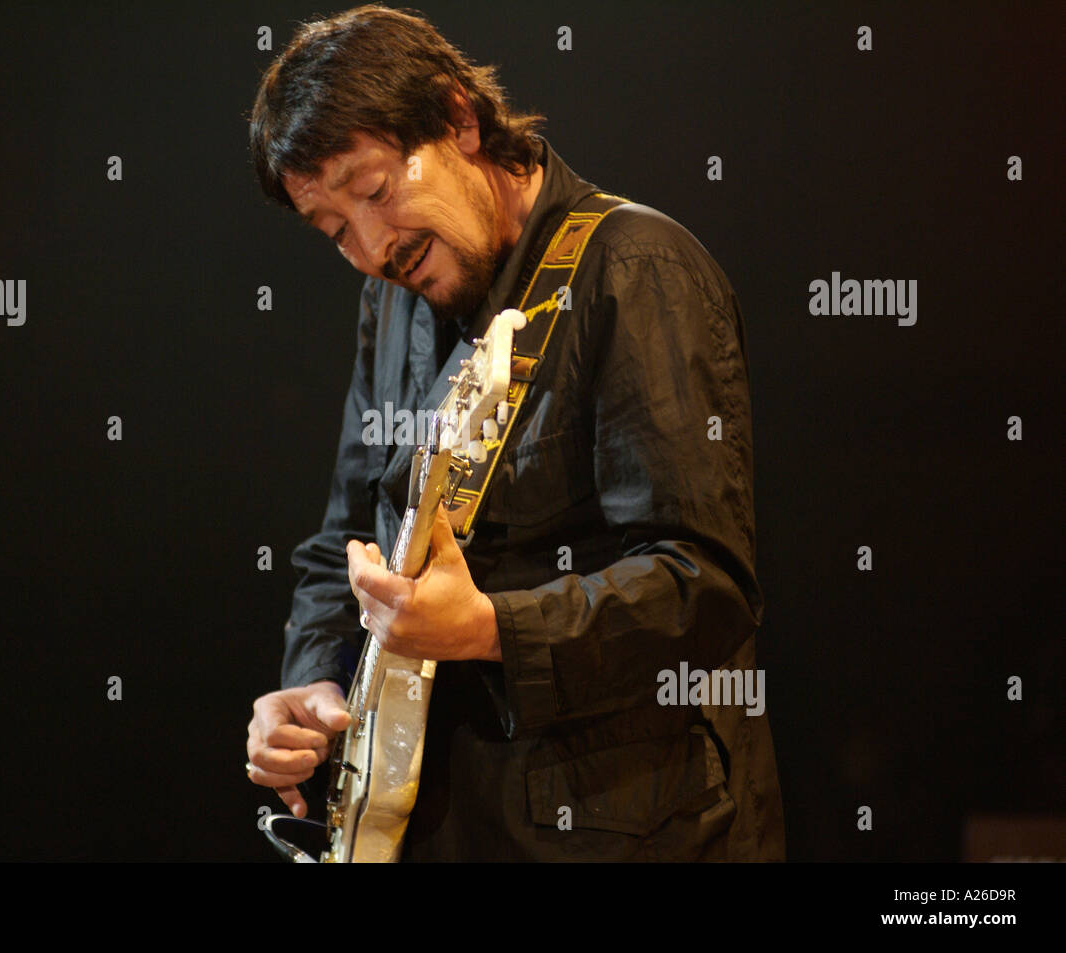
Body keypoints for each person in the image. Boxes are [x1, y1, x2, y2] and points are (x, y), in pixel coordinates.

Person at [244, 4, 785, 861]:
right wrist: (310, 684)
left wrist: (489, 627)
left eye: (378, 191)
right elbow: (345, 536)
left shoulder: (638, 269)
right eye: (335, 229)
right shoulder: (389, 304)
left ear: (459, 118)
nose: (375, 247)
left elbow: (705, 586)